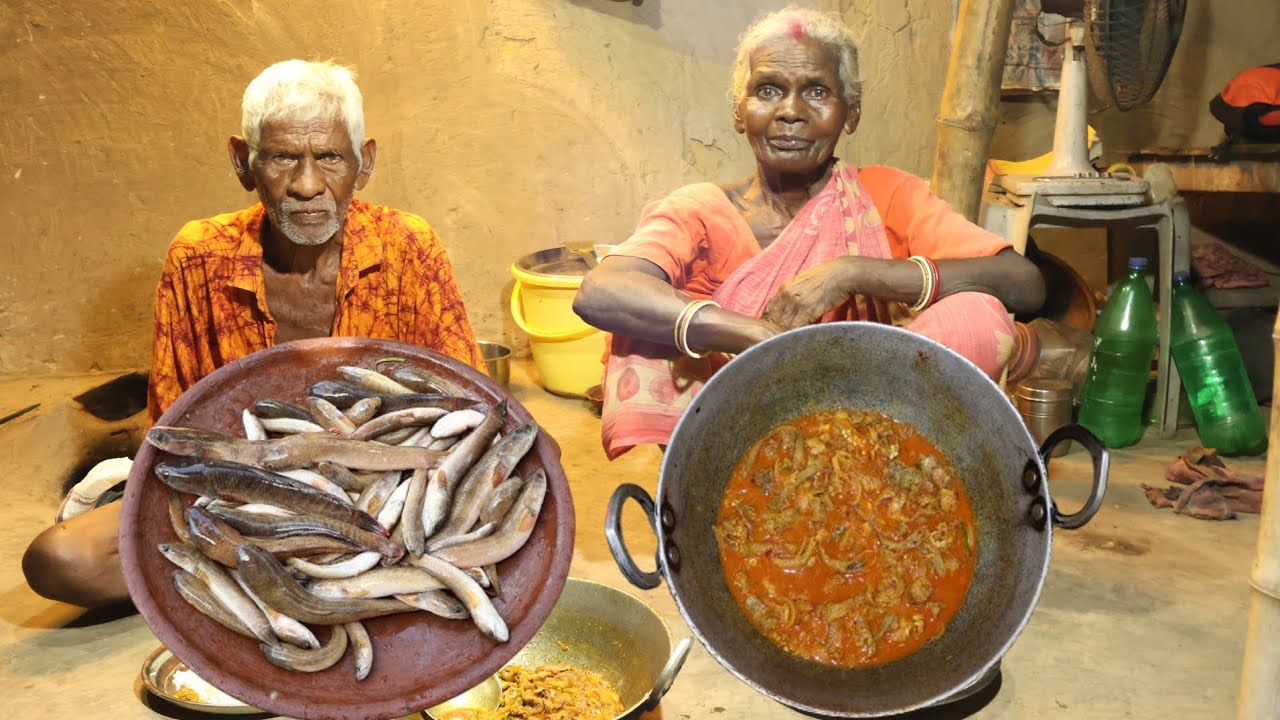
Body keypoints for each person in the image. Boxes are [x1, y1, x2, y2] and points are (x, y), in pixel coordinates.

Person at [23, 60, 484, 607]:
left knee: (501, 515)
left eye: (330, 157)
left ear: (365, 164)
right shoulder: (199, 256)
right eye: (283, 157)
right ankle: (300, 584)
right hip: (240, 492)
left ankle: (296, 586)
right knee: (61, 561)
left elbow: (469, 403)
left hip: (385, 496)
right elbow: (176, 423)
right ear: (244, 163)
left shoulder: (408, 246)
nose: (308, 185)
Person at [573, 7, 1045, 459]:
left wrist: (853, 273)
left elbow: (1023, 282)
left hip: (885, 424)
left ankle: (863, 455)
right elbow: (601, 290)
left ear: (851, 114)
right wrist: (759, 337)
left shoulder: (886, 194)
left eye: (817, 92)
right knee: (644, 325)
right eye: (768, 90)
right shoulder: (702, 211)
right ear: (740, 112)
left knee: (977, 315)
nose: (791, 112)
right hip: (741, 431)